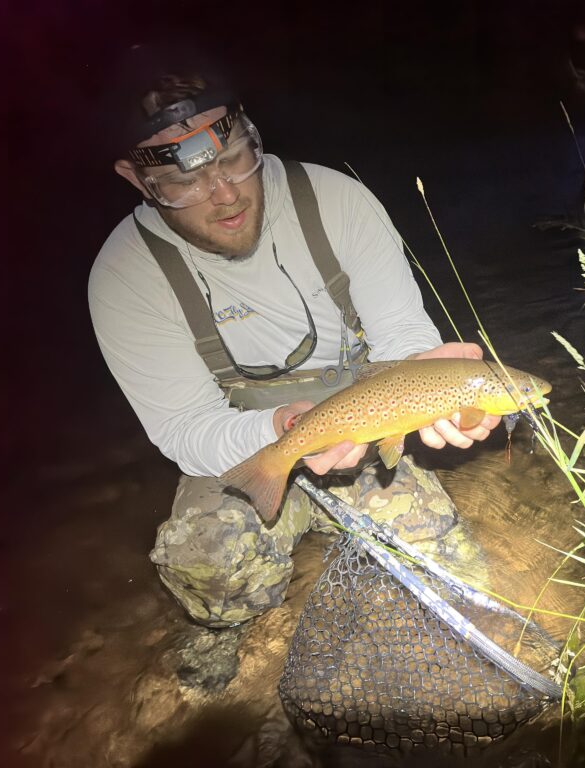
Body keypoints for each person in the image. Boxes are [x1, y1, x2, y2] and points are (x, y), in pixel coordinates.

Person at [88, 54, 501, 628]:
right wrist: (285, 431)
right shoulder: (125, 277)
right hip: (243, 440)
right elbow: (184, 429)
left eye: (234, 158)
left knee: (442, 564)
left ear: (251, 134)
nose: (225, 193)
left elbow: (403, 339)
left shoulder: (338, 201)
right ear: (138, 180)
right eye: (185, 181)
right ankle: (227, 640)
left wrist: (432, 388)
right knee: (211, 568)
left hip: (363, 420)